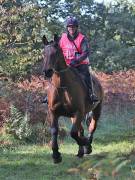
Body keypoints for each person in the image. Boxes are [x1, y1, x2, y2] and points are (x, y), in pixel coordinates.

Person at [42, 16, 98, 104]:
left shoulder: (82, 39)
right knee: (53, 75)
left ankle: (91, 94)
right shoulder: (62, 38)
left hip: (80, 64)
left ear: (76, 27)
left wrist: (75, 61)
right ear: (67, 28)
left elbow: (85, 52)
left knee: (86, 76)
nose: (71, 28)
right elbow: (56, 48)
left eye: (73, 26)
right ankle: (48, 95)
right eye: (70, 27)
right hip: (66, 65)